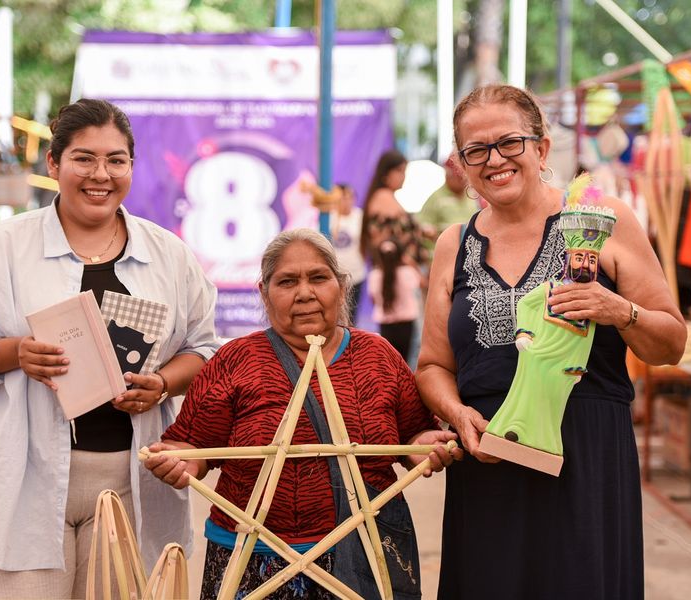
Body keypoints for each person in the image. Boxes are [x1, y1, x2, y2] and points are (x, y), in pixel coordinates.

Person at [0, 99, 219, 599]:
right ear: (54, 164)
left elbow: (204, 350)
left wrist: (163, 383)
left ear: (131, 165)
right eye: (83, 158)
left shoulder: (168, 254)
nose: (100, 174)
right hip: (24, 479)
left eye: (116, 160)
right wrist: (13, 352)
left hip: (130, 478)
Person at [415, 85, 686, 600]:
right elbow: (432, 365)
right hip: (489, 461)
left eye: (509, 143)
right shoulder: (455, 243)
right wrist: (456, 413)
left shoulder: (604, 221)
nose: (494, 159)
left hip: (586, 465)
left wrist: (618, 311)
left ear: (541, 150)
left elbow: (670, 343)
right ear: (462, 165)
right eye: (476, 150)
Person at [144, 228, 460, 600]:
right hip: (251, 555)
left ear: (341, 286)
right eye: (287, 281)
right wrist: (177, 462)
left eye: (318, 278)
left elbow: (413, 437)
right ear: (264, 293)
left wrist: (428, 446)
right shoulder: (234, 361)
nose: (305, 293)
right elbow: (192, 447)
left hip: (364, 550)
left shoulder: (378, 356)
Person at [366, 239, 422, 362]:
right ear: (400, 254)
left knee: (390, 361)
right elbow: (422, 283)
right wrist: (411, 263)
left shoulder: (374, 275)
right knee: (404, 361)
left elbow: (373, 300)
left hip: (386, 324)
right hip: (406, 323)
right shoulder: (408, 272)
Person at [416, 153, 479, 249]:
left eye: (463, 176)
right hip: (442, 254)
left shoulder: (473, 195)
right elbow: (421, 225)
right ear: (447, 175)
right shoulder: (436, 198)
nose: (462, 180)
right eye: (458, 177)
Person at [330, 183, 366, 325]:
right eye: (342, 197)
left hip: (356, 275)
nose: (346, 201)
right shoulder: (328, 217)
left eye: (350, 197)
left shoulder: (360, 217)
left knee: (351, 318)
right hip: (334, 276)